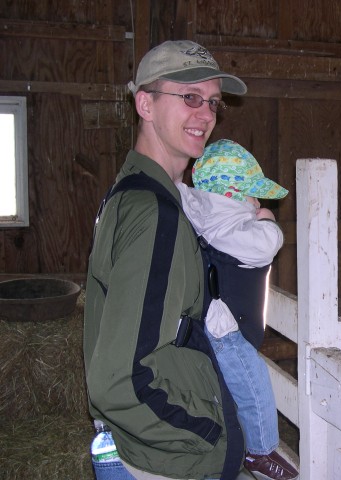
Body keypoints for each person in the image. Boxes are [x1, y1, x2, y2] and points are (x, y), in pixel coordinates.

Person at [84, 40, 252, 480]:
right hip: (167, 464)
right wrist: (211, 433)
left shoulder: (132, 190)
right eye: (190, 98)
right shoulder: (154, 213)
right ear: (145, 103)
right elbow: (119, 382)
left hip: (140, 451)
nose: (207, 114)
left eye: (213, 102)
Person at [176, 138, 298, 480]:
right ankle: (260, 452)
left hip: (205, 325)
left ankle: (234, 444)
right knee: (253, 383)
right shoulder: (236, 230)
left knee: (226, 394)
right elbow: (268, 245)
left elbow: (180, 190)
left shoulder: (199, 212)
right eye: (252, 194)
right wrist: (267, 220)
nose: (257, 201)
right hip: (227, 332)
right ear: (232, 195)